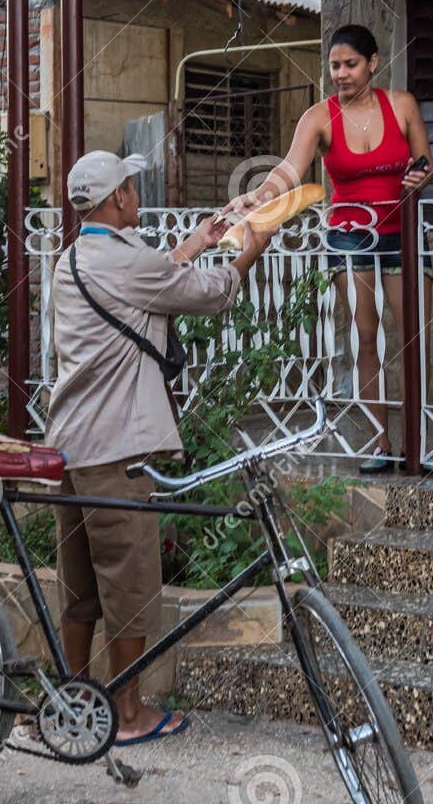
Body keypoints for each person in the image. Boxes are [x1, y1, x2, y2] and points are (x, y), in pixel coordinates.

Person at [45, 150, 272, 746]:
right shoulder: (128, 262)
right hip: (117, 449)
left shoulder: (71, 260)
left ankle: (70, 697)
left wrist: (198, 239)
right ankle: (127, 715)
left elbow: (148, 280)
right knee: (129, 585)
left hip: (71, 447)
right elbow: (213, 292)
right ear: (118, 198)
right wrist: (253, 245)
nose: (136, 193)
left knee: (79, 587)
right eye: (131, 185)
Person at [222, 23, 433, 474]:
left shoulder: (402, 105)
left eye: (350, 64)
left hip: (404, 233)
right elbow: (290, 171)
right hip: (349, 233)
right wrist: (256, 196)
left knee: (414, 339)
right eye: (335, 65)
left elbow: (425, 163)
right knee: (365, 336)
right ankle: (382, 443)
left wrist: (420, 175)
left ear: (372, 63)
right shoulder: (318, 117)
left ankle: (419, 442)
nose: (341, 73)